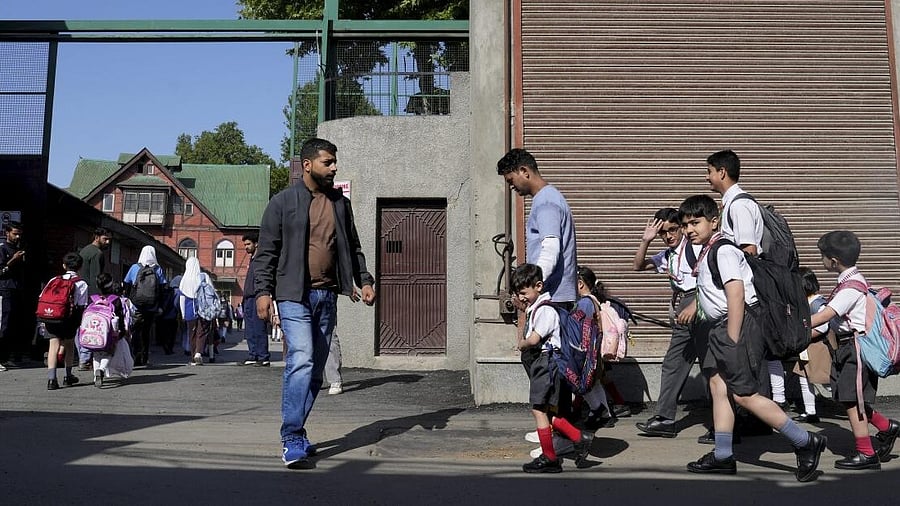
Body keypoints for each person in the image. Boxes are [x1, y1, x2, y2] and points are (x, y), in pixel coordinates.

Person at [679, 195, 825, 482]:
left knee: (743, 394)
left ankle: (805, 441)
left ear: (714, 221)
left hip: (738, 325)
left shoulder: (723, 250)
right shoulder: (708, 250)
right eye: (685, 225)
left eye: (695, 222)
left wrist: (733, 339)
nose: (689, 230)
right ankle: (723, 455)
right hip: (722, 326)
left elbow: (736, 294)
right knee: (719, 385)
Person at [253, 138, 376, 469]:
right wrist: (263, 292)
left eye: (335, 161)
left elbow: (353, 245)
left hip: (326, 295)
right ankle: (291, 436)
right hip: (293, 295)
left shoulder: (340, 203)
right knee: (302, 359)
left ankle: (298, 430)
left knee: (316, 373)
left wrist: (364, 280)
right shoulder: (283, 203)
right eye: (328, 162)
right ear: (307, 165)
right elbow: (266, 252)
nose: (334, 167)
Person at [497, 148, 579, 429]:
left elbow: (551, 247)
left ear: (524, 171)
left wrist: (531, 287)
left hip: (553, 299)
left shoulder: (545, 203)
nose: (511, 186)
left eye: (511, 180)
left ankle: (559, 431)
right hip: (553, 296)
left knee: (547, 368)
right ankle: (557, 429)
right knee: (551, 368)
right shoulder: (550, 199)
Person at [706, 149, 785, 433]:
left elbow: (748, 250)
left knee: (748, 362)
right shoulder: (736, 203)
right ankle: (745, 423)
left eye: (710, 172)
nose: (708, 178)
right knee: (746, 364)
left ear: (722, 172)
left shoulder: (738, 206)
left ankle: (763, 423)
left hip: (747, 299)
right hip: (748, 297)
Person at [811, 231, 900, 469]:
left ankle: (866, 453)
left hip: (854, 349)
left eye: (822, 256)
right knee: (849, 399)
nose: (822, 260)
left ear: (833, 260)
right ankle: (886, 427)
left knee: (853, 402)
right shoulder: (850, 282)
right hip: (847, 348)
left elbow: (826, 315)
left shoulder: (850, 287)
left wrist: (798, 324)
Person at [633, 208, 709, 438]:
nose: (669, 236)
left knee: (711, 368)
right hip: (683, 310)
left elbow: (708, 279)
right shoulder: (669, 255)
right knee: (674, 363)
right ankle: (665, 419)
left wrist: (694, 304)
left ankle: (725, 425)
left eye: (673, 230)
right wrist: (645, 241)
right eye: (663, 233)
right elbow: (638, 265)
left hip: (699, 306)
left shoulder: (695, 249)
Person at [512, 264, 593, 473]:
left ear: (538, 286)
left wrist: (522, 343)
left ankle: (550, 458)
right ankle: (578, 437)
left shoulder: (546, 309)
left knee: (538, 409)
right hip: (546, 364)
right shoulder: (537, 308)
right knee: (545, 411)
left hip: (547, 364)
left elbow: (534, 339)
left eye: (523, 293)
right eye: (518, 294)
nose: (521, 298)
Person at [40, 252, 88, 390]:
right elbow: (81, 304)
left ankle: (51, 379)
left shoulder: (54, 279)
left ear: (63, 265)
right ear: (80, 267)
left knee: (53, 347)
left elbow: (42, 296)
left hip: (51, 317)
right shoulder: (81, 283)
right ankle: (68, 376)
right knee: (69, 346)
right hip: (69, 319)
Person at [123, 245, 167, 367]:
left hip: (136, 306)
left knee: (136, 330)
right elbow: (163, 289)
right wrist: (160, 306)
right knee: (146, 332)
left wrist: (128, 300)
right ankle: (145, 356)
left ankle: (135, 354)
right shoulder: (158, 269)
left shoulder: (134, 268)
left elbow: (126, 285)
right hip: (152, 306)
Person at [76, 228, 112, 370]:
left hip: (80, 293)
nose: (107, 242)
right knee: (91, 326)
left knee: (81, 326)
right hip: (92, 295)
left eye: (109, 239)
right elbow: (96, 277)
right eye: (105, 238)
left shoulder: (84, 250)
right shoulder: (97, 254)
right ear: (96, 237)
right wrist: (99, 297)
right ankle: (85, 359)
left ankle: (82, 357)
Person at [89, 272, 131, 387]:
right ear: (111, 285)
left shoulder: (93, 299)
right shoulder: (115, 300)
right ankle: (101, 370)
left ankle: (95, 377)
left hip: (94, 331)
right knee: (109, 352)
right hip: (110, 333)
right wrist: (122, 332)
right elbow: (120, 318)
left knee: (96, 353)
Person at [240, 233, 270, 366]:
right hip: (248, 298)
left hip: (256, 296)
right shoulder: (252, 259)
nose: (246, 247)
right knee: (250, 329)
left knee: (259, 328)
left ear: (256, 243)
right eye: (245, 244)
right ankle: (253, 355)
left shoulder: (260, 259)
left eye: (248, 244)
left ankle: (263, 356)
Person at [0, 221, 26, 370]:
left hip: (17, 289)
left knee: (13, 325)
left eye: (19, 234)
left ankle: (7, 357)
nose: (17, 237)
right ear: (7, 233)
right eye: (15, 233)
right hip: (4, 290)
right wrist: (12, 261)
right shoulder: (2, 249)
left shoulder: (19, 249)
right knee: (3, 324)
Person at [176, 257, 210, 366]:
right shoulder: (204, 277)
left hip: (189, 310)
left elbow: (182, 299)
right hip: (203, 309)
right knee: (202, 331)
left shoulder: (184, 280)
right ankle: (199, 352)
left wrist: (183, 313)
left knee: (192, 333)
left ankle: (193, 357)